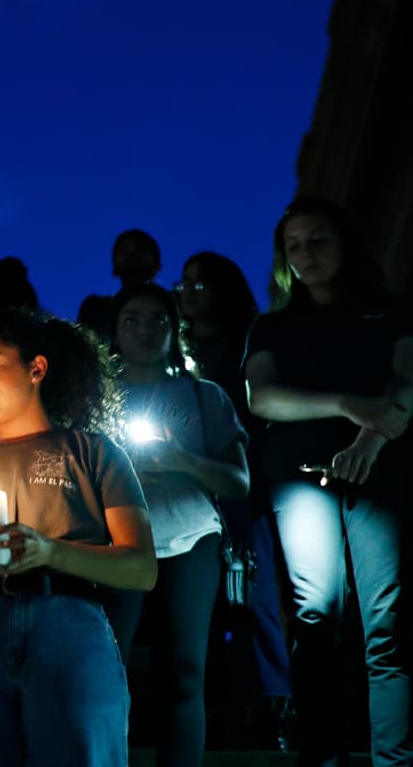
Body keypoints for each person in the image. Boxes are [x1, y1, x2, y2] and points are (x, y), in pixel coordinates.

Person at [0, 310, 157, 766]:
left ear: (37, 368)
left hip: (68, 626)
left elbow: (141, 567)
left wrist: (48, 551)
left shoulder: (94, 453)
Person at [244, 197, 413, 767]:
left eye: (317, 239)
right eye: (293, 245)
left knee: (387, 622)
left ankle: (395, 759)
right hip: (299, 479)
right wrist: (348, 403)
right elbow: (263, 397)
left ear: (344, 243)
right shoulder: (272, 326)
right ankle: (323, 757)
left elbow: (406, 385)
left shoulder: (391, 312)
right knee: (315, 614)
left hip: (380, 473)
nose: (306, 253)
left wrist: (369, 441)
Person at [109, 282, 250, 767]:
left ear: (175, 330)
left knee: (185, 672)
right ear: (115, 331)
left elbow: (238, 481)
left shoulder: (204, 395)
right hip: (117, 541)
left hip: (191, 538)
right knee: (106, 667)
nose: (144, 330)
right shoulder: (97, 398)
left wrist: (181, 460)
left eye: (157, 320)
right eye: (131, 320)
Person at [176, 251, 292, 747]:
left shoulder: (248, 340)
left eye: (199, 284)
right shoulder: (174, 353)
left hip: (245, 482)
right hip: (188, 488)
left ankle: (271, 707)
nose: (187, 292)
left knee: (255, 591)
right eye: (183, 284)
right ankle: (221, 710)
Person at [78, 228, 162, 340]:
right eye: (124, 250)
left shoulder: (174, 306)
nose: (132, 254)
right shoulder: (94, 309)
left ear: (157, 264)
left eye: (141, 249)